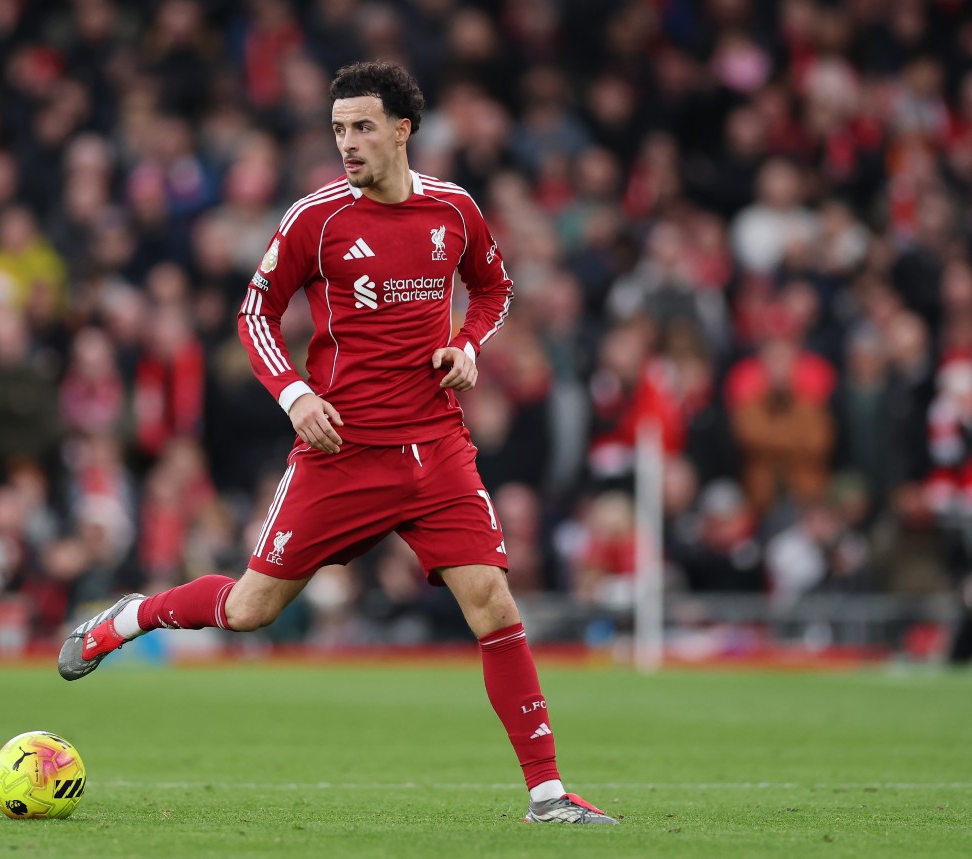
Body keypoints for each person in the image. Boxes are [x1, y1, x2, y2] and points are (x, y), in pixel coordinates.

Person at [58, 60, 617, 826]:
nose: (348, 143)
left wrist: (470, 344)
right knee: (252, 608)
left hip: (435, 446)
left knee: (492, 601)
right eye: (338, 130)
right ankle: (129, 617)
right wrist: (295, 395)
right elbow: (255, 314)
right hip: (342, 451)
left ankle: (548, 794)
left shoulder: (454, 210)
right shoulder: (315, 219)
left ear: (401, 129)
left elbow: (494, 287)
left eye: (361, 127)